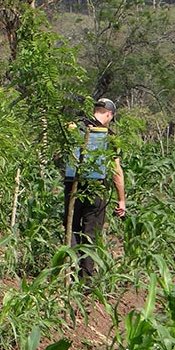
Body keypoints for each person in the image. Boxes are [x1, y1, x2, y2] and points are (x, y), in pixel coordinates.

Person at [63, 97, 126, 278]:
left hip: (72, 186)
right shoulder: (109, 136)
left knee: (71, 228)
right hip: (96, 189)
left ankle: (69, 273)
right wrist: (121, 199)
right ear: (109, 114)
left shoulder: (74, 128)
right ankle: (87, 279)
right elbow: (116, 171)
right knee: (91, 233)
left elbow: (59, 158)